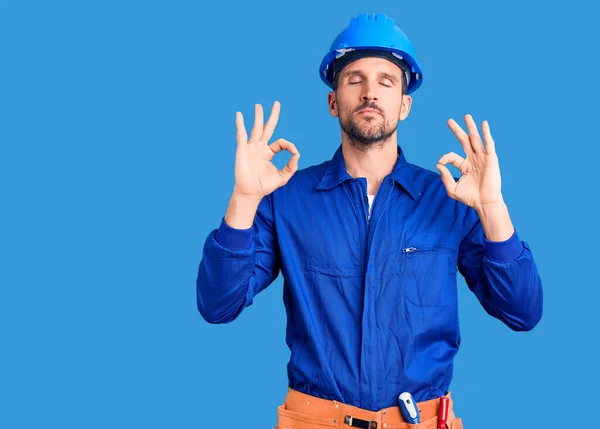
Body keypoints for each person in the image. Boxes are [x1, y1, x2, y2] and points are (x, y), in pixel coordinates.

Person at [196, 12, 543, 429]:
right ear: (332, 101)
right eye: (354, 79)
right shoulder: (284, 199)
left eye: (386, 80)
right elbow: (218, 305)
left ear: (405, 104)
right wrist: (244, 198)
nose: (370, 92)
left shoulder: (449, 199)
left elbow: (522, 312)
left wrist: (493, 208)